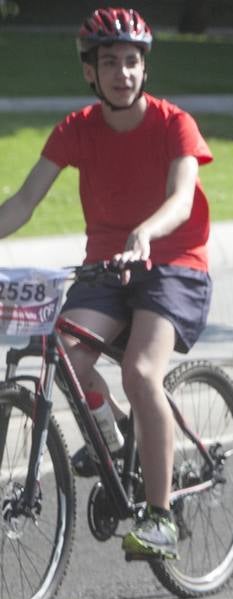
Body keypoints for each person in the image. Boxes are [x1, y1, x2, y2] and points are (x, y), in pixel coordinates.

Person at [0, 7, 214, 562]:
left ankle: (161, 518)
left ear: (145, 69)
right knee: (66, 352)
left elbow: (181, 199)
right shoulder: (76, 130)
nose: (123, 72)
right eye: (111, 63)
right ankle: (117, 438)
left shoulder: (174, 124)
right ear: (90, 72)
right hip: (104, 268)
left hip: (173, 264)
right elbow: (23, 203)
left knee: (141, 371)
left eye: (133, 62)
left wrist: (145, 232)